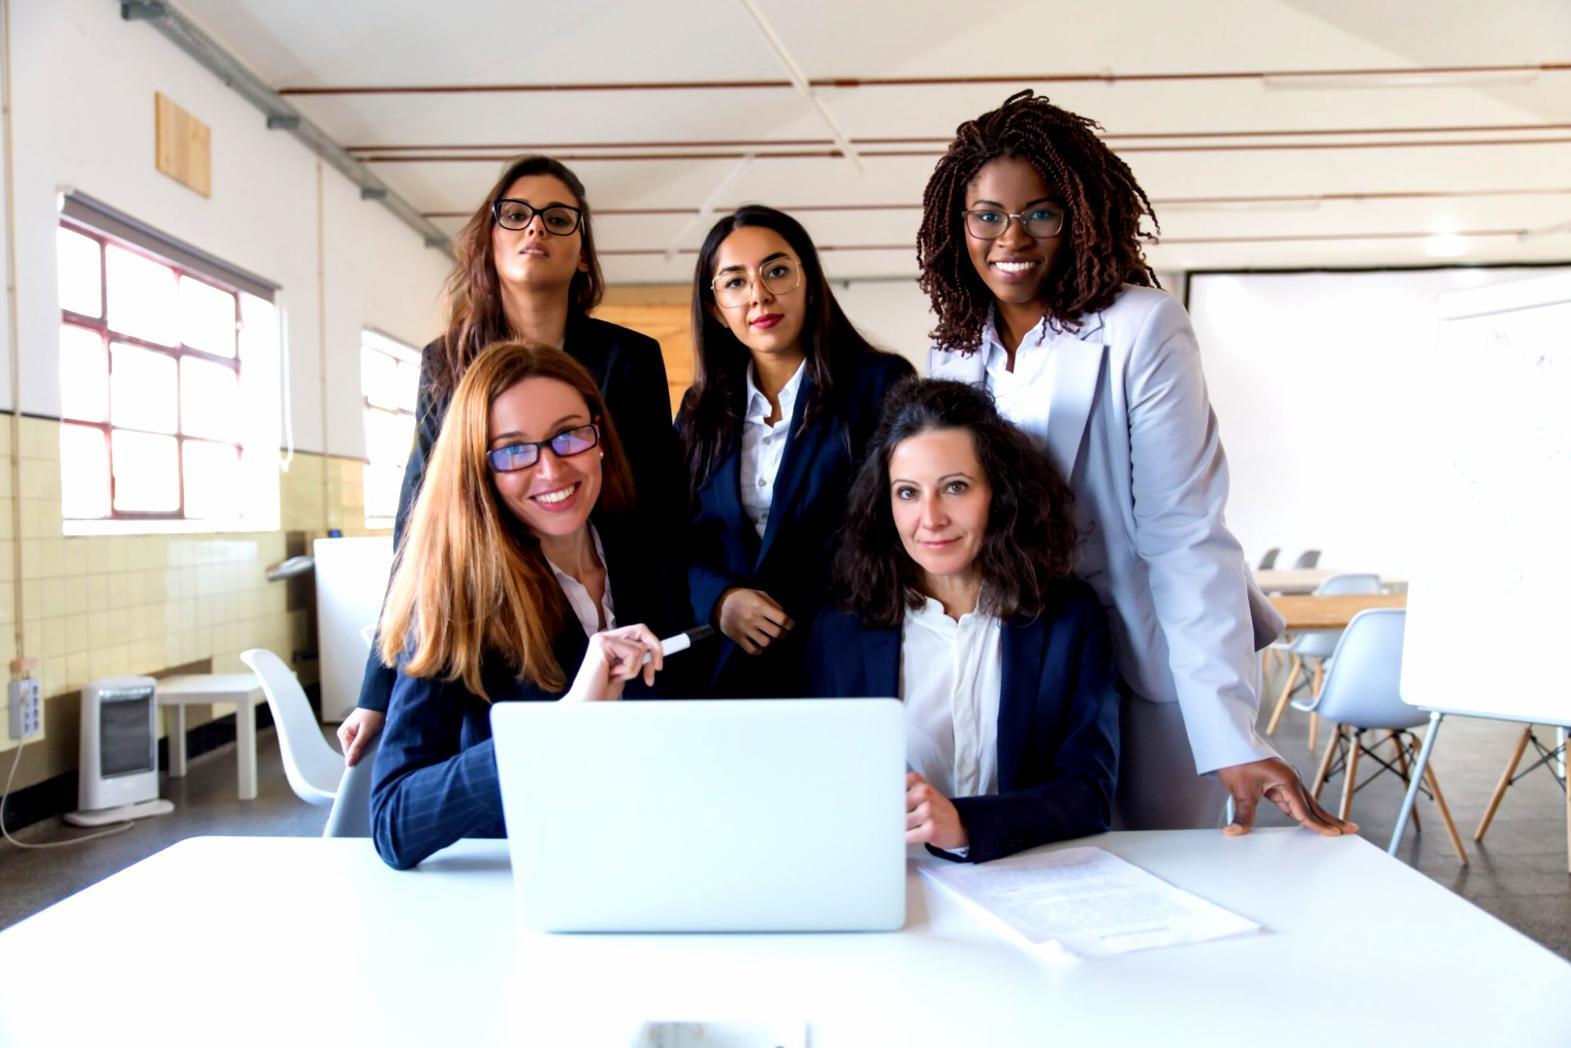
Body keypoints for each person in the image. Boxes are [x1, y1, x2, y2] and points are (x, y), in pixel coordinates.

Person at [919, 90, 1354, 836]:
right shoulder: (954, 353)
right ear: (958, 226)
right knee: (1038, 867)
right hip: (1021, 664)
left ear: (1081, 217)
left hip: (1144, 661)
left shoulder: (1142, 328)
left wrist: (1226, 731)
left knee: (1165, 873)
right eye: (986, 215)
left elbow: (1182, 533)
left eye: (1040, 213)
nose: (1009, 237)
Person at [340, 156, 684, 766]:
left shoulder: (629, 357)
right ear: (490, 241)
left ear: (583, 252)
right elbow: (416, 526)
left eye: (558, 219)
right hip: (496, 606)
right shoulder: (446, 362)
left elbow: (660, 507)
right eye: (517, 216)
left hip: (613, 604)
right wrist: (380, 686)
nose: (536, 231)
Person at [370, 341, 687, 870]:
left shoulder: (645, 556)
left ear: (601, 438)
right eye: (514, 450)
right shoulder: (454, 600)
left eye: (569, 435)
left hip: (649, 858)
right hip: (524, 882)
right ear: (481, 470)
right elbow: (392, 823)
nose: (551, 469)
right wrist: (555, 730)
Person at [806, 379, 1117, 862]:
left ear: (1000, 492)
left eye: (954, 488)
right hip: (892, 881)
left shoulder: (1070, 619)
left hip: (1028, 876)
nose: (930, 518)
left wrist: (966, 824)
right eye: (907, 493)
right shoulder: (841, 629)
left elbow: (1089, 793)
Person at [678, 205, 914, 697]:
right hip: (727, 668)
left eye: (777, 271)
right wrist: (720, 601)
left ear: (809, 281)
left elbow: (894, 530)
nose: (759, 295)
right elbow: (673, 537)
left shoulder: (879, 384)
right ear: (716, 308)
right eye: (735, 282)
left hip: (843, 653)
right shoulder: (700, 411)